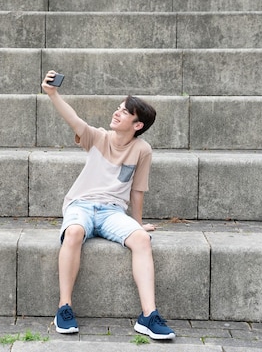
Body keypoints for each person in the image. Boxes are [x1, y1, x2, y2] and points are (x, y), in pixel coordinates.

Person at [41, 71, 176, 341]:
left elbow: (137, 191)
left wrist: (137, 224)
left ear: (137, 125)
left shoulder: (142, 150)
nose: (117, 113)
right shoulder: (98, 137)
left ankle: (149, 316)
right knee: (74, 232)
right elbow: (74, 119)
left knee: (141, 239)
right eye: (119, 108)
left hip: (113, 212)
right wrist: (53, 93)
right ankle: (63, 308)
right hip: (81, 205)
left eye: (125, 112)